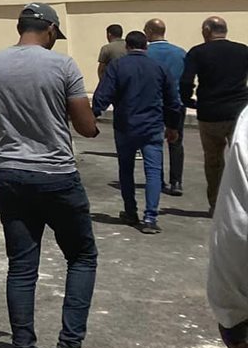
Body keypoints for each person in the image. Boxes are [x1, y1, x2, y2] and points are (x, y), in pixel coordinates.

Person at [0, 2, 103, 348]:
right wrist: (93, 125)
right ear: (49, 30)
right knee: (81, 257)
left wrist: (5, 157)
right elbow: (85, 126)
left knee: (21, 267)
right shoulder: (63, 66)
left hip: (10, 176)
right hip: (57, 176)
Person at [92, 31, 182, 234]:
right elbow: (172, 100)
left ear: (127, 47)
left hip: (125, 126)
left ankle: (130, 211)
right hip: (152, 126)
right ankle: (150, 218)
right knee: (153, 172)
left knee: (126, 169)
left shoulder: (117, 66)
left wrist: (93, 115)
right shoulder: (159, 67)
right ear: (146, 46)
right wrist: (172, 126)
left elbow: (104, 94)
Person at [181, 16, 248, 213]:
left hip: (210, 113)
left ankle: (216, 205)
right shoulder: (243, 50)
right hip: (239, 113)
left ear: (207, 31)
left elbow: (186, 81)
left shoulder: (197, 52)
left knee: (213, 161)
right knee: (243, 158)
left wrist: (188, 100)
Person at [206, 108, 248, 348]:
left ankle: (212, 200)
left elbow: (238, 225)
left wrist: (232, 313)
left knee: (213, 162)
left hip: (210, 115)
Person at [144, 18, 189, 197]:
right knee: (176, 142)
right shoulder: (180, 53)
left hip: (152, 104)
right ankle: (176, 181)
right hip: (176, 103)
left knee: (154, 143)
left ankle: (158, 179)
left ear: (149, 31)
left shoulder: (145, 53)